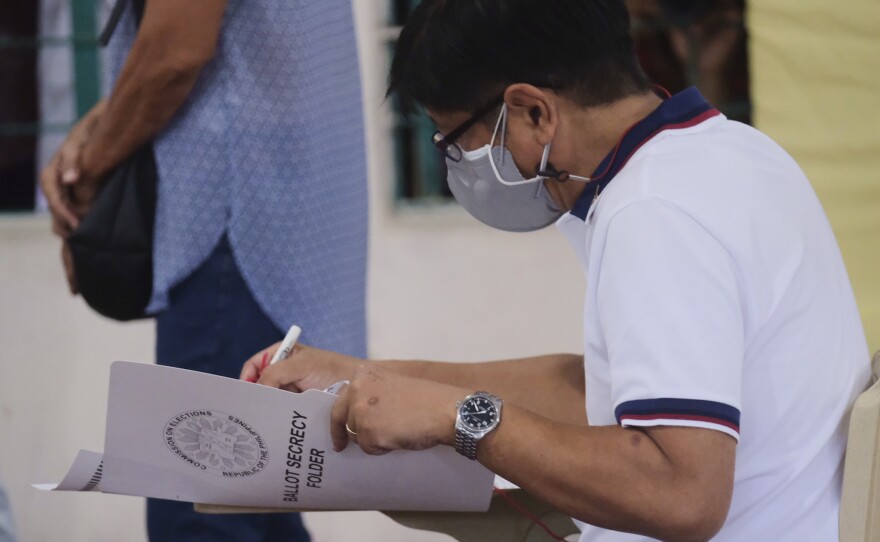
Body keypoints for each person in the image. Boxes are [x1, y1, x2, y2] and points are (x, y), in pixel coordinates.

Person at [241, 1, 871, 541]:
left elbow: (685, 495)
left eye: (458, 143)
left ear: (534, 112)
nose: (463, 168)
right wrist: (362, 375)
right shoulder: (729, 152)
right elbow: (597, 392)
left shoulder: (654, 213)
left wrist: (460, 418)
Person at [39, 1, 367, 541]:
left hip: (234, 224)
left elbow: (177, 50)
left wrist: (89, 171)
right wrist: (102, 125)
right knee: (257, 509)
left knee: (199, 512)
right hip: (272, 218)